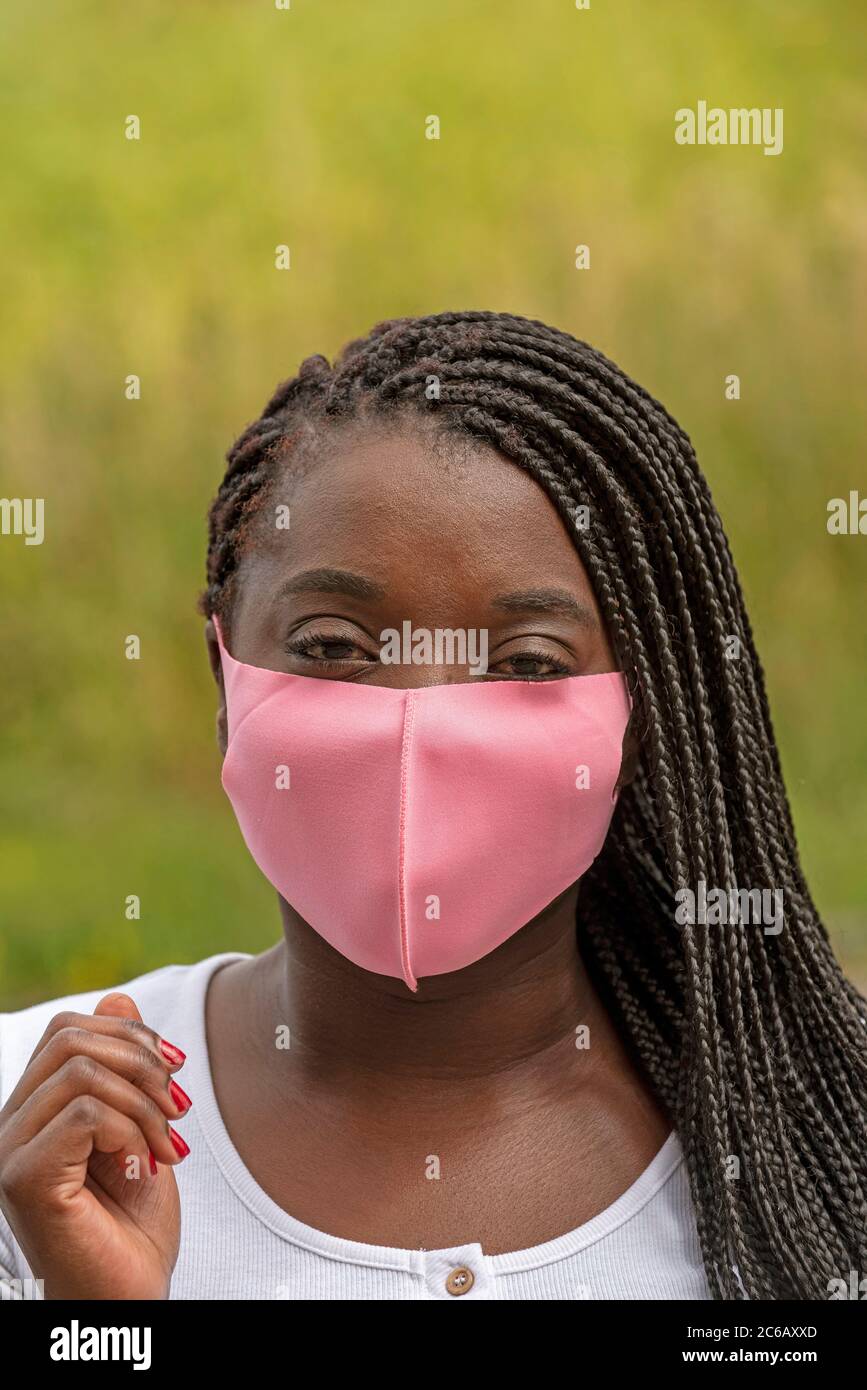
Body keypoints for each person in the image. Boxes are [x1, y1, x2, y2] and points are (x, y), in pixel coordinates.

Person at [0, 311, 863, 1301]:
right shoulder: (33, 1137)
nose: (419, 718)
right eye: (333, 645)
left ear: (636, 720)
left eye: (527, 661)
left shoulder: (825, 1151)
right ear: (223, 675)